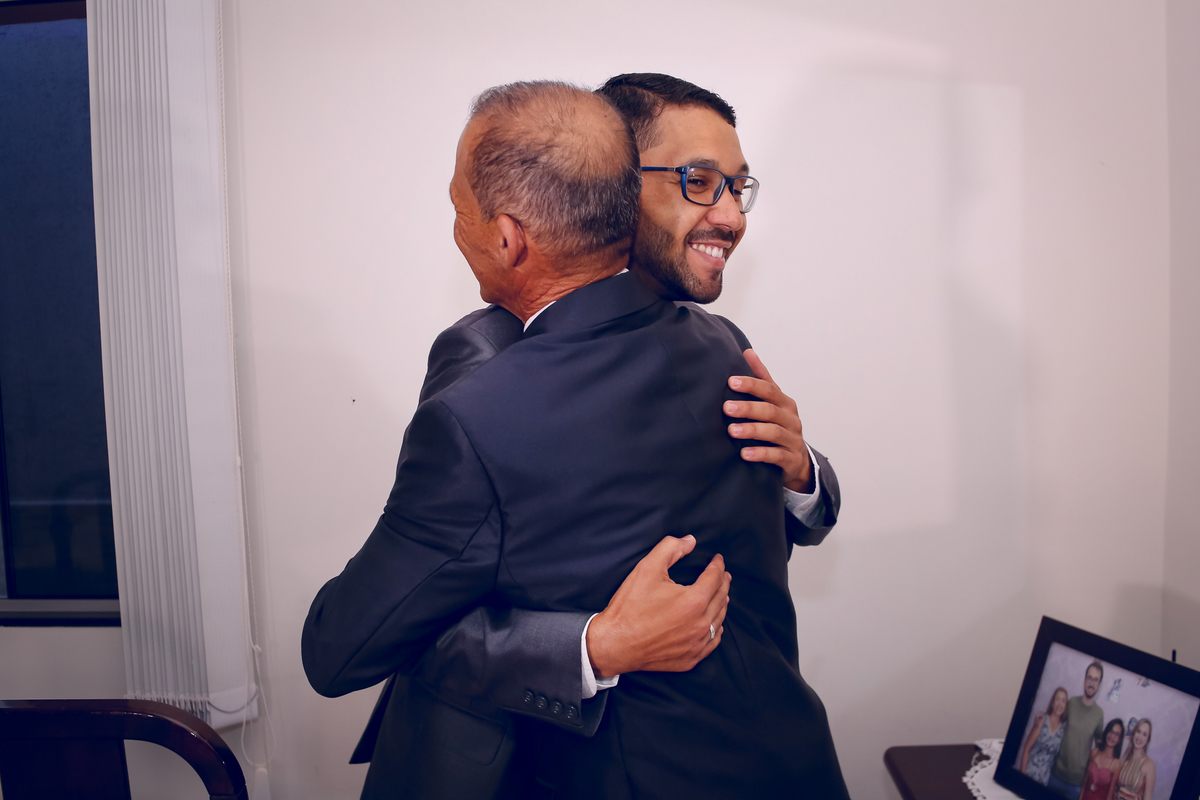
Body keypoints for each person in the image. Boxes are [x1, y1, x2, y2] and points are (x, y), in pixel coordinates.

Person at [302, 80, 849, 799]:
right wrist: (597, 645)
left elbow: (346, 646)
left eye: (734, 185)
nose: (727, 213)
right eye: (697, 180)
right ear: (622, 189)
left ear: (508, 236)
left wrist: (802, 474)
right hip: (791, 761)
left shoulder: (497, 405)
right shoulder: (714, 344)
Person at [1048, 661, 1108, 798]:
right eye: (1089, 678)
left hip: (1076, 785)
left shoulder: (1099, 714)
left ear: (1099, 685)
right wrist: (1043, 719)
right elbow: (1055, 721)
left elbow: (1099, 749)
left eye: (1096, 680)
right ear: (1084, 679)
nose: (1091, 683)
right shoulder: (1071, 703)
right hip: (1056, 775)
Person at [1021, 686, 1069, 784]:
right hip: (1029, 774)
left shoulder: (1063, 730)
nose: (1060, 704)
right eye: (1057, 699)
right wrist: (1022, 777)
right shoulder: (1041, 720)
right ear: (1052, 703)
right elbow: (1027, 749)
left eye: (1063, 700)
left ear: (1065, 706)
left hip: (1044, 781)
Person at [1110, 718, 1156, 800]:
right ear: (1134, 733)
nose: (1140, 737)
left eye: (1144, 734)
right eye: (1138, 731)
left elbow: (1148, 797)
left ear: (1148, 740)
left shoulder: (1149, 765)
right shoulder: (1124, 759)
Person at [1079, 718, 1124, 800]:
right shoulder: (1094, 752)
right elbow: (1085, 783)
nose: (1112, 736)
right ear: (1106, 732)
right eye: (1111, 731)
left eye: (1116, 734)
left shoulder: (1116, 764)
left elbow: (1110, 795)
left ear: (1119, 740)